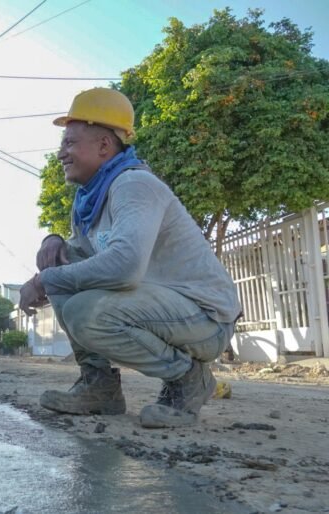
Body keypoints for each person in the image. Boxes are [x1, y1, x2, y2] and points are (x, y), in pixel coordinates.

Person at [19, 88, 241, 429]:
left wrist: (42, 281)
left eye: (69, 143)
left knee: (82, 310)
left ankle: (188, 380)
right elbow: (81, 258)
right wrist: (53, 241)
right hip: (166, 309)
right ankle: (100, 387)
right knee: (61, 262)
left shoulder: (134, 184)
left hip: (205, 319)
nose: (61, 153)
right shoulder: (92, 196)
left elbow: (124, 267)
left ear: (105, 146)